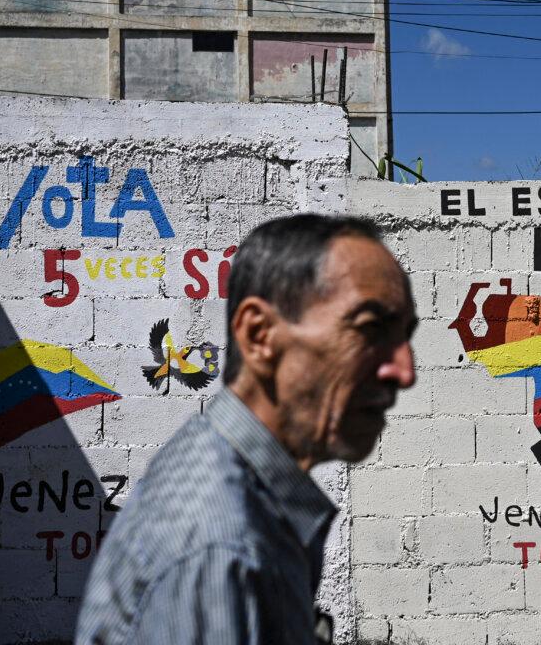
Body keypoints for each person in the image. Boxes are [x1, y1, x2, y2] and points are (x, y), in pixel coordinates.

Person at [76, 214, 417, 645]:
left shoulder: (240, 504)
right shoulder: (223, 549)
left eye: (405, 335)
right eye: (370, 329)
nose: (404, 371)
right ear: (260, 336)